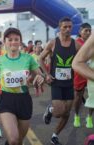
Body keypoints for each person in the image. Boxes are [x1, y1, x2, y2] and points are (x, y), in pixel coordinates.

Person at [0, 27, 44, 145]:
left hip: (24, 99)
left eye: (16, 39)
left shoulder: (28, 58)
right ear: (5, 42)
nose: (13, 42)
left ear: (20, 41)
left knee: (19, 141)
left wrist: (40, 78)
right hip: (6, 100)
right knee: (14, 139)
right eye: (10, 39)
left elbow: (39, 75)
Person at [39, 17, 80, 145]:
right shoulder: (53, 43)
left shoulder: (76, 44)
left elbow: (83, 59)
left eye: (69, 27)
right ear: (59, 27)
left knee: (67, 112)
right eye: (65, 27)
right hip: (56, 82)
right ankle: (51, 110)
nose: (68, 29)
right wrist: (46, 74)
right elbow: (40, 59)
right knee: (58, 112)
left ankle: (54, 136)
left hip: (69, 82)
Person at [72, 32, 94, 129]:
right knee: (78, 96)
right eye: (86, 30)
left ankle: (89, 117)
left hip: (89, 72)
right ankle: (76, 115)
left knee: (90, 99)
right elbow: (75, 62)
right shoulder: (76, 43)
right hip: (81, 73)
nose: (88, 32)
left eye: (89, 30)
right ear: (80, 32)